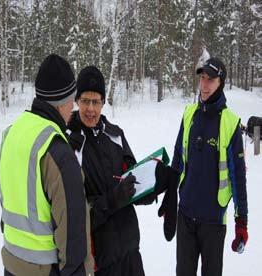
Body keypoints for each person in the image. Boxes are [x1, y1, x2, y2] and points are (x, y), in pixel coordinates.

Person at [0, 54, 92, 276]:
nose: (74, 108)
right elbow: (72, 239)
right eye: (73, 100)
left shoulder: (11, 134)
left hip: (11, 263)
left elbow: (8, 199)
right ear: (63, 102)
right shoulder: (57, 151)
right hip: (44, 269)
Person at [158, 57, 248, 276]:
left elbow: (238, 179)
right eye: (202, 78)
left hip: (213, 221)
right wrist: (171, 197)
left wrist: (241, 221)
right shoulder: (189, 114)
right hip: (186, 216)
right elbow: (178, 158)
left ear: (221, 83)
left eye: (211, 80)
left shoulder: (230, 123)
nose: (205, 85)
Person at [67, 66, 147, 276]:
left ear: (103, 102)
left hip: (130, 251)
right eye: (85, 101)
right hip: (99, 261)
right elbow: (75, 214)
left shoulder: (115, 134)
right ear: (77, 101)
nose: (91, 109)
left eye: (96, 101)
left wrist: (154, 185)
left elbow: (134, 178)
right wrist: (113, 199)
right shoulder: (70, 143)